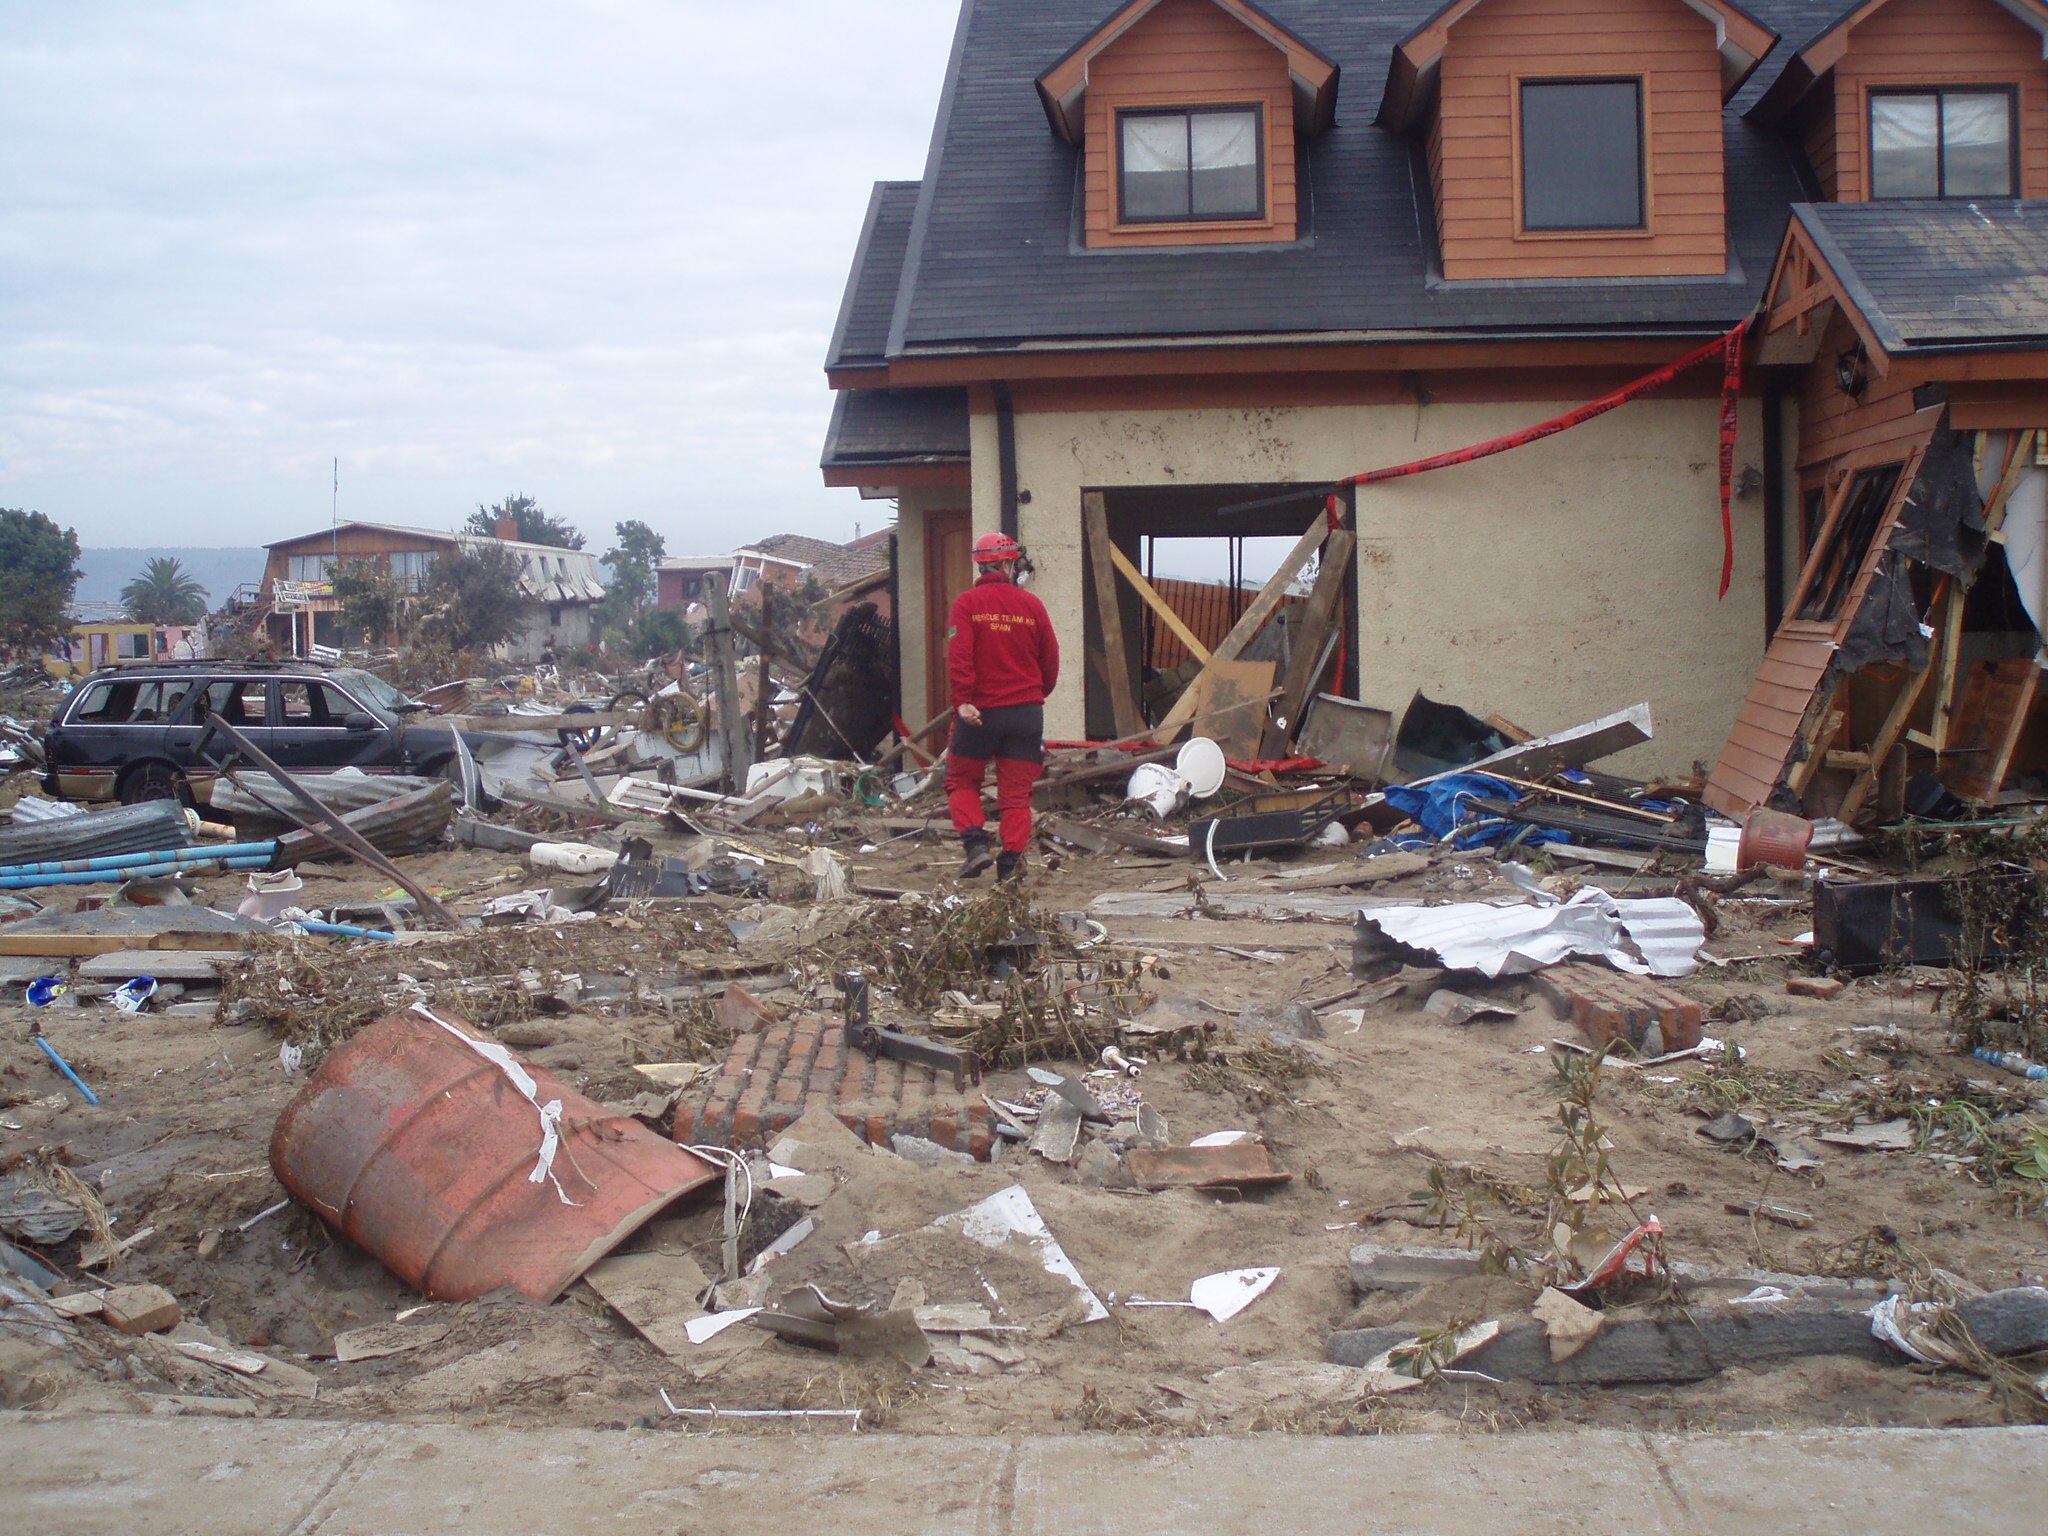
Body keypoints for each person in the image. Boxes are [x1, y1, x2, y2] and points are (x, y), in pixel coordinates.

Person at [945, 531, 1059, 882]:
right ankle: (1009, 867)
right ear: (1009, 564)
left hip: (981, 713)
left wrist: (963, 700)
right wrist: (1034, 695)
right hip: (1026, 714)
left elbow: (959, 656)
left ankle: (976, 845)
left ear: (979, 565)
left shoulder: (966, 604)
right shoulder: (1032, 606)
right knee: (1017, 796)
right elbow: (1051, 661)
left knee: (962, 780)